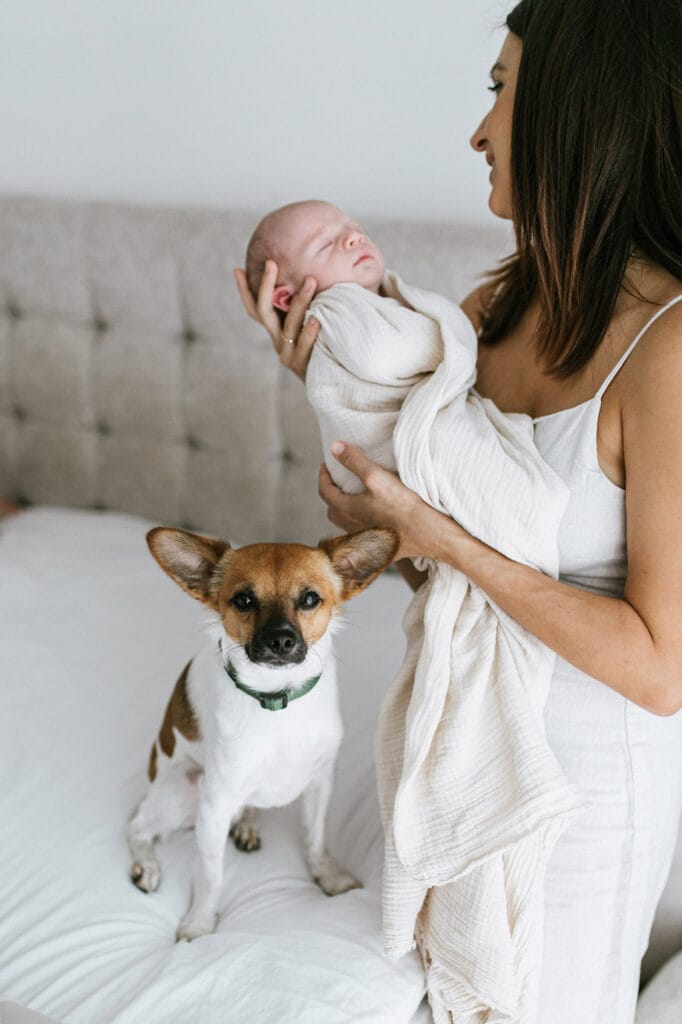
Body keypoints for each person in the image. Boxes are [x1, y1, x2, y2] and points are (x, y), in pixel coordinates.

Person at [235, 0, 682, 1020]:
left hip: (583, 788)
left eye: (501, 89)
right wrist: (336, 395)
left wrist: (447, 542)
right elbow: (438, 550)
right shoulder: (487, 310)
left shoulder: (666, 349)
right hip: (458, 740)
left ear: (579, 113)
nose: (479, 130)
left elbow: (661, 669)